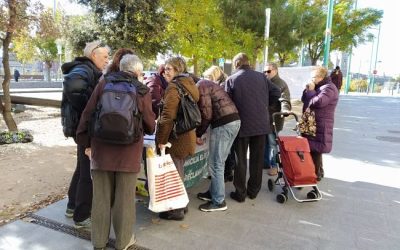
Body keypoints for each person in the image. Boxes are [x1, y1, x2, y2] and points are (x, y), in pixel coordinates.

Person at [76, 53, 155, 250]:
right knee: (125, 201)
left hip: (101, 152)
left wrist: (86, 143)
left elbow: (87, 114)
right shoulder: (141, 89)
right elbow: (150, 125)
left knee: (101, 199)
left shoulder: (103, 83)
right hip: (128, 155)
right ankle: (123, 242)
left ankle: (99, 242)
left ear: (120, 67)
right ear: (137, 71)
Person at [61, 41, 110, 229]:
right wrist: (90, 109)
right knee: (87, 172)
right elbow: (74, 87)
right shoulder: (83, 68)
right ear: (93, 55)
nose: (107, 60)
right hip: (84, 128)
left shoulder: (87, 68)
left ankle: (72, 206)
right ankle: (81, 217)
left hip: (81, 127)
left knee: (82, 167)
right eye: (104, 56)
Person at [226, 53, 280, 202]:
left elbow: (227, 102)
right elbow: (276, 92)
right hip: (261, 124)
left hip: (242, 123)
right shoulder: (261, 77)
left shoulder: (232, 79)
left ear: (236, 63)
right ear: (248, 62)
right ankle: (253, 191)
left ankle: (240, 193)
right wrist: (265, 106)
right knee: (256, 159)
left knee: (240, 160)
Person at [155, 57, 199, 220]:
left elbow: (167, 117)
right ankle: (182, 205)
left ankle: (177, 210)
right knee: (178, 170)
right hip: (187, 135)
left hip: (177, 137)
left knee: (174, 173)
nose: (165, 72)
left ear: (177, 70)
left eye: (168, 69)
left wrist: (161, 139)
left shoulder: (174, 87)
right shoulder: (188, 84)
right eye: (165, 69)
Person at [196, 67, 241, 212]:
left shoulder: (201, 86)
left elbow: (206, 114)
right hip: (233, 121)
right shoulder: (209, 85)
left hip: (223, 124)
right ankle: (212, 193)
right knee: (219, 162)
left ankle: (218, 201)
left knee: (216, 164)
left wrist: (198, 133)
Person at [301, 66, 339, 181]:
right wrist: (307, 90)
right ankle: (317, 173)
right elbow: (305, 99)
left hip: (321, 124)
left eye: (313, 77)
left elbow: (318, 102)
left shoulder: (329, 88)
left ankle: (315, 176)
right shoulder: (319, 86)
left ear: (320, 77)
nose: (311, 80)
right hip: (312, 122)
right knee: (311, 148)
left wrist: (311, 91)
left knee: (316, 150)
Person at [203, 66, 235, 182]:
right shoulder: (223, 84)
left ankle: (218, 191)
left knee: (218, 160)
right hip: (232, 119)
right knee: (225, 154)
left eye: (209, 77)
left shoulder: (219, 86)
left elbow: (209, 109)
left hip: (223, 120)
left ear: (214, 75)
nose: (207, 79)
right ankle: (227, 174)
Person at [263, 62, 291, 176]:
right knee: (264, 142)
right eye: (264, 71)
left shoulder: (281, 84)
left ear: (275, 70)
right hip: (264, 118)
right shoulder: (264, 81)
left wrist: (285, 110)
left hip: (274, 119)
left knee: (272, 143)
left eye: (268, 71)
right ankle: (265, 162)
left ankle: (274, 165)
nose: (265, 73)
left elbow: (285, 99)